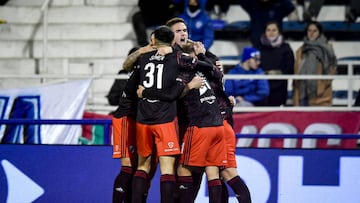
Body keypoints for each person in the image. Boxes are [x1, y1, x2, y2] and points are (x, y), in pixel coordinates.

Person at [292, 21, 337, 106]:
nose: (311, 33)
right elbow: (296, 72)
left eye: (314, 31)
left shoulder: (327, 49)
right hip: (302, 94)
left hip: (320, 95)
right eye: (309, 30)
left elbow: (332, 70)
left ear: (319, 32)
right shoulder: (300, 50)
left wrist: (322, 86)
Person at [258, 21, 295, 106]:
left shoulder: (286, 48)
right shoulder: (259, 47)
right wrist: (265, 73)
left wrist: (278, 73)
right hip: (262, 87)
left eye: (274, 30)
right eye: (268, 30)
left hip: (280, 87)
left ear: (279, 32)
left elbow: (290, 68)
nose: (271, 33)